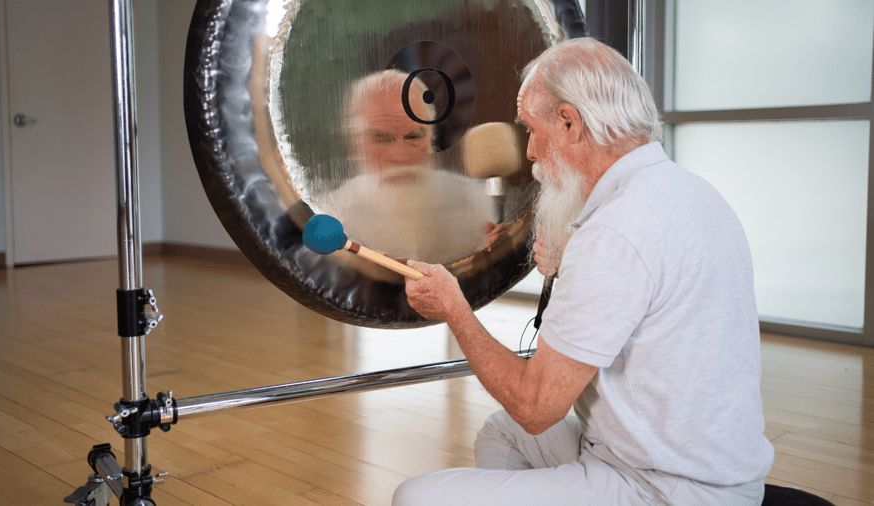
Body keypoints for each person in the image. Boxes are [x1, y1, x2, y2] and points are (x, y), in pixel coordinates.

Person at [398, 37, 774, 505]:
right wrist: (565, 266)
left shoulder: (615, 232)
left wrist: (455, 309)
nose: (530, 151)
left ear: (570, 122)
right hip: (705, 464)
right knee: (503, 433)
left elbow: (537, 408)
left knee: (416, 497)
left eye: (533, 130)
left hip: (667, 488)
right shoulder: (690, 192)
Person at [325, 70, 496, 268]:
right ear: (356, 141)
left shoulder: (472, 201)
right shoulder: (336, 217)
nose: (400, 157)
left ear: (431, 135)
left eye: (414, 136)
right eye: (381, 138)